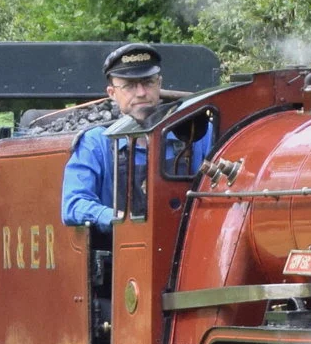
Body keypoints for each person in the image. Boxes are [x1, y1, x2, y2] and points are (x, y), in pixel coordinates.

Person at [59, 44, 208, 230]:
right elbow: (73, 204)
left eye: (148, 82)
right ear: (112, 93)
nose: (141, 93)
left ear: (159, 84)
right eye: (129, 86)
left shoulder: (198, 134)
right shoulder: (96, 143)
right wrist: (120, 220)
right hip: (122, 252)